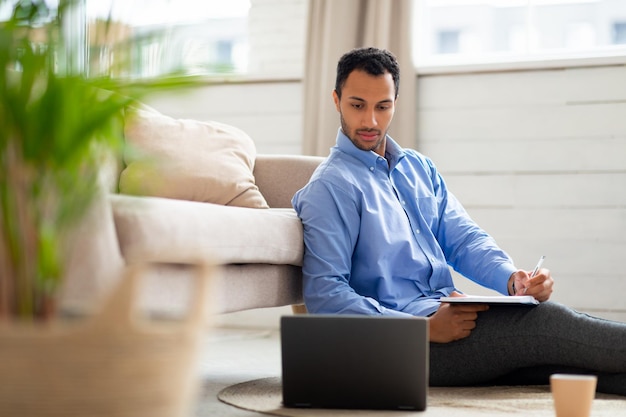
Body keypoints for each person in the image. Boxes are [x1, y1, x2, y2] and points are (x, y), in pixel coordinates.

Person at [291, 46, 626, 395]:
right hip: (405, 345)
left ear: (396, 102)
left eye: (383, 106)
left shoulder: (418, 168)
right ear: (336, 100)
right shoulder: (329, 188)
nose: (371, 121)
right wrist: (421, 329)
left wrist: (513, 281)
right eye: (357, 105)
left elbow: (463, 238)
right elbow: (325, 295)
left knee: (569, 368)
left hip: (453, 315)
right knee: (547, 324)